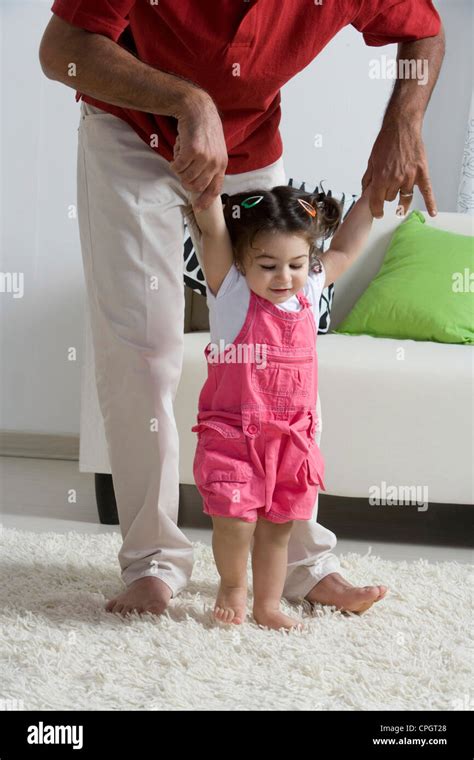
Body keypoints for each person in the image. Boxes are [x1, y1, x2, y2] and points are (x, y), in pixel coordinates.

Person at [38, 1, 444, 617]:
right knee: (141, 351)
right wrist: (189, 101)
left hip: (249, 141)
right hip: (129, 131)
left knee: (293, 350)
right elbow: (61, 48)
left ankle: (306, 565)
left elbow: (426, 31)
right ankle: (152, 562)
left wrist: (405, 121)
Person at [190, 184, 375, 630]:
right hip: (235, 438)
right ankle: (233, 586)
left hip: (293, 441)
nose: (283, 277)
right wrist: (205, 188)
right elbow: (214, 229)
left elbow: (347, 248)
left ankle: (267, 604)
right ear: (241, 262)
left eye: (295, 264)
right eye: (268, 266)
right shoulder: (231, 293)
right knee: (234, 522)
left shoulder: (308, 289)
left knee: (277, 529)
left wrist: (371, 199)